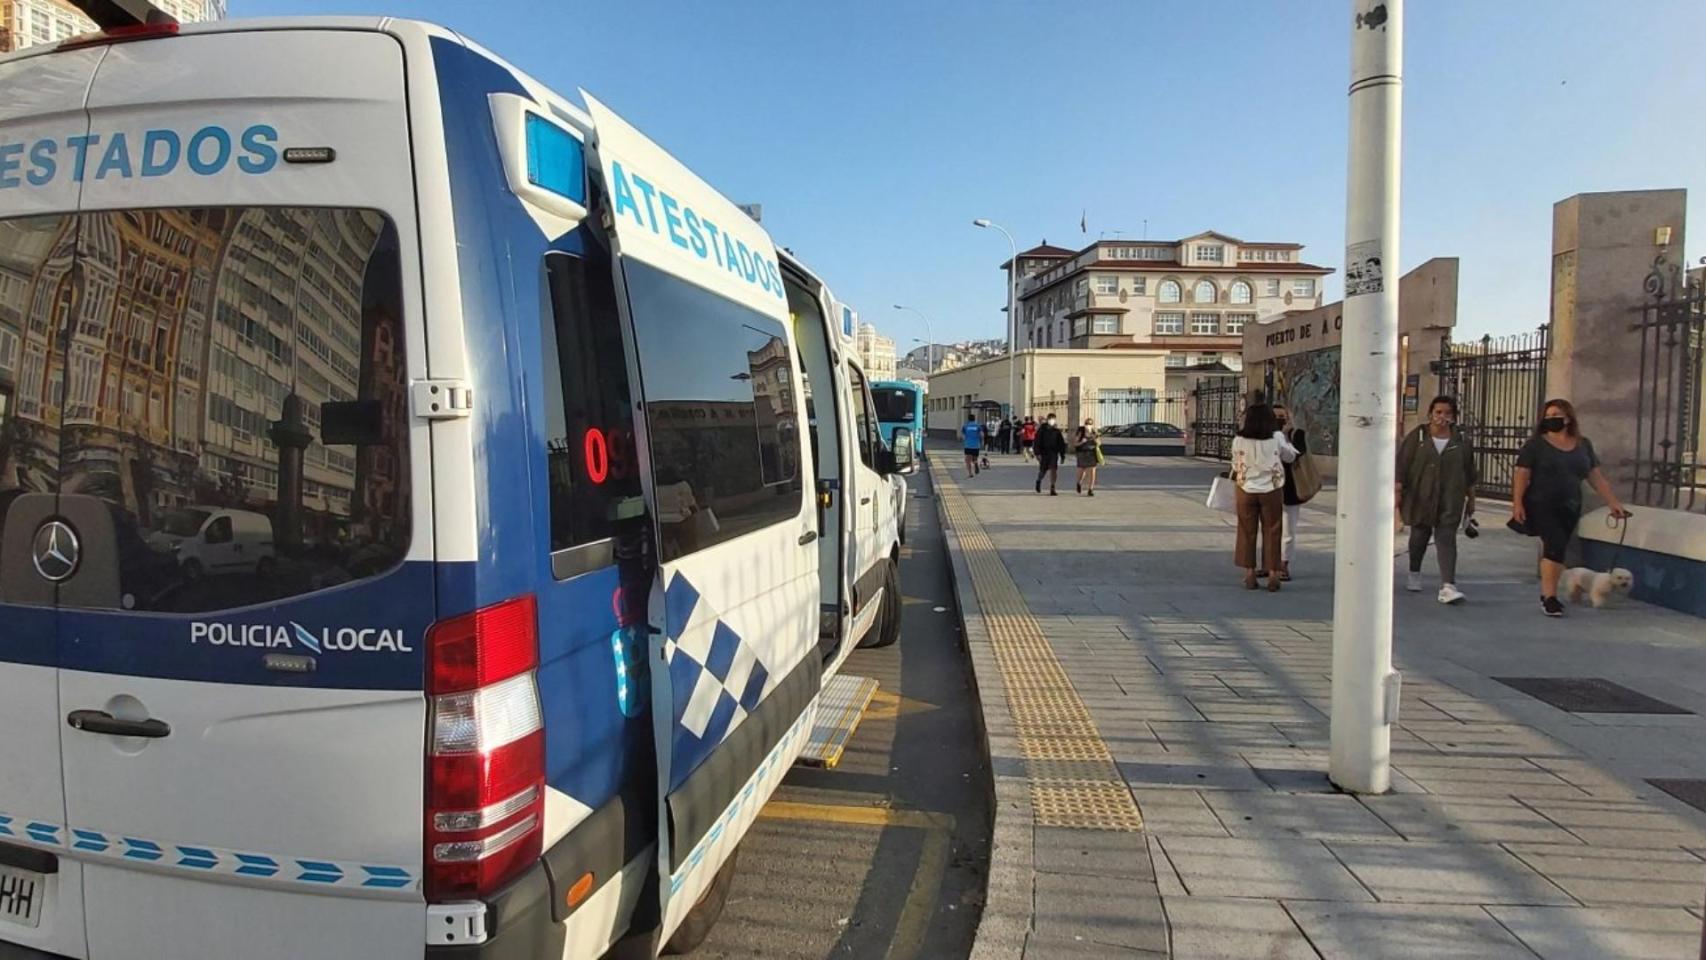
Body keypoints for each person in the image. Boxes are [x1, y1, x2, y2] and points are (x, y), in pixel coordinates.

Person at [1512, 398, 1631, 617]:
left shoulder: (1583, 444)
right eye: (1547, 416)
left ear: (1568, 418)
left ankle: (1548, 593)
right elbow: (1522, 473)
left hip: (1570, 504)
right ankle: (1549, 597)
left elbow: (1595, 475)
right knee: (1554, 544)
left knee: (1558, 549)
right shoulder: (1536, 445)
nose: (1551, 419)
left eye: (1556, 415)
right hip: (1541, 502)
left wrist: (1613, 502)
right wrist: (1517, 503)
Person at [1395, 396, 1477, 605]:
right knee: (1419, 536)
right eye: (1438, 412)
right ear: (1431, 413)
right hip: (1420, 496)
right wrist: (1398, 491)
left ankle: (1448, 586)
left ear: (1453, 416)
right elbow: (1402, 465)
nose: (1442, 417)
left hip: (1450, 497)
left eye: (1447, 413)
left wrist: (1471, 500)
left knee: (1446, 538)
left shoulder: (1461, 441)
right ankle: (1414, 572)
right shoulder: (1419, 437)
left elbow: (1469, 472)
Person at [1231, 403, 1293, 592]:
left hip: (1245, 488)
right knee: (1273, 530)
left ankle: (1249, 573)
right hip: (1272, 488)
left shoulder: (1239, 440)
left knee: (1246, 530)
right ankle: (1273, 573)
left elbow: (1235, 463)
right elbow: (1290, 457)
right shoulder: (1276, 437)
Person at [1274, 404, 1308, 581]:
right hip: (1271, 488)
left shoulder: (1296, 434)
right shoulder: (1268, 436)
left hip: (1291, 488)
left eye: (1284, 416)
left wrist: (1285, 438)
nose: (1282, 420)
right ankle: (1270, 563)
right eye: (1278, 417)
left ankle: (1284, 564)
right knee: (1271, 529)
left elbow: (1298, 454)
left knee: (1288, 530)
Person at [1033, 414, 1068, 495]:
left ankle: (1052, 487)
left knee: (1053, 470)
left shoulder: (1056, 431)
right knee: (1043, 471)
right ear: (1047, 419)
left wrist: (1062, 455)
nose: (1051, 420)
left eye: (1053, 419)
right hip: (1044, 453)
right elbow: (1037, 442)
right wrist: (1037, 453)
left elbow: (1061, 444)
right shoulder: (1042, 430)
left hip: (1053, 453)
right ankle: (1039, 480)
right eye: (1050, 419)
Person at [1074, 417, 1102, 496]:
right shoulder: (1081, 431)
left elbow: (1099, 443)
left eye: (1090, 424)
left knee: (1092, 471)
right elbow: (1075, 444)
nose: (1088, 425)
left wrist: (1095, 438)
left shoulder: (1094, 432)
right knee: (1082, 471)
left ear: (1092, 425)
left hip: (1092, 453)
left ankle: (1090, 489)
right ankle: (1079, 483)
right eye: (1086, 423)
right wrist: (1081, 442)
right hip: (1082, 453)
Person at [959, 413, 984, 478]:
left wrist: (965, 439)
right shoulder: (978, 426)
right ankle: (975, 463)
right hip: (976, 445)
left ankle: (970, 473)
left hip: (968, 445)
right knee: (975, 457)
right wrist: (981, 441)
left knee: (968, 460)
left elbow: (963, 436)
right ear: (974, 419)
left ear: (968, 419)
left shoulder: (965, 426)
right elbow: (982, 435)